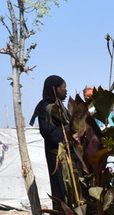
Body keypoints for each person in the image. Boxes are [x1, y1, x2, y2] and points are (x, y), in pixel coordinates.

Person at [29, 75, 70, 207]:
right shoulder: (46, 107)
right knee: (60, 188)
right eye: (64, 87)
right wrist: (69, 134)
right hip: (57, 156)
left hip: (70, 155)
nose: (66, 90)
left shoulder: (61, 107)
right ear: (56, 89)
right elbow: (50, 133)